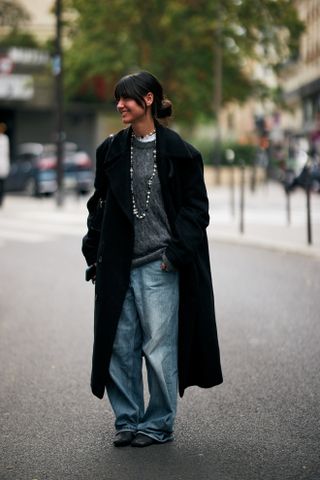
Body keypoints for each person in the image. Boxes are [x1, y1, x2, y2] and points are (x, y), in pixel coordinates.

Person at [82, 71, 223, 448]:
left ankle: (158, 422)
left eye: (125, 99)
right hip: (116, 264)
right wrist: (93, 250)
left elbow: (197, 209)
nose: (119, 105)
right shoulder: (110, 150)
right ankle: (127, 419)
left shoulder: (181, 152)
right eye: (117, 99)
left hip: (159, 263)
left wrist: (176, 254)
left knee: (158, 349)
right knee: (119, 344)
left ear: (147, 100)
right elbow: (100, 205)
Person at [0, 123, 10, 207]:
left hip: (3, 166)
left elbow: (6, 153)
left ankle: (1, 201)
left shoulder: (5, 139)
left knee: (2, 186)